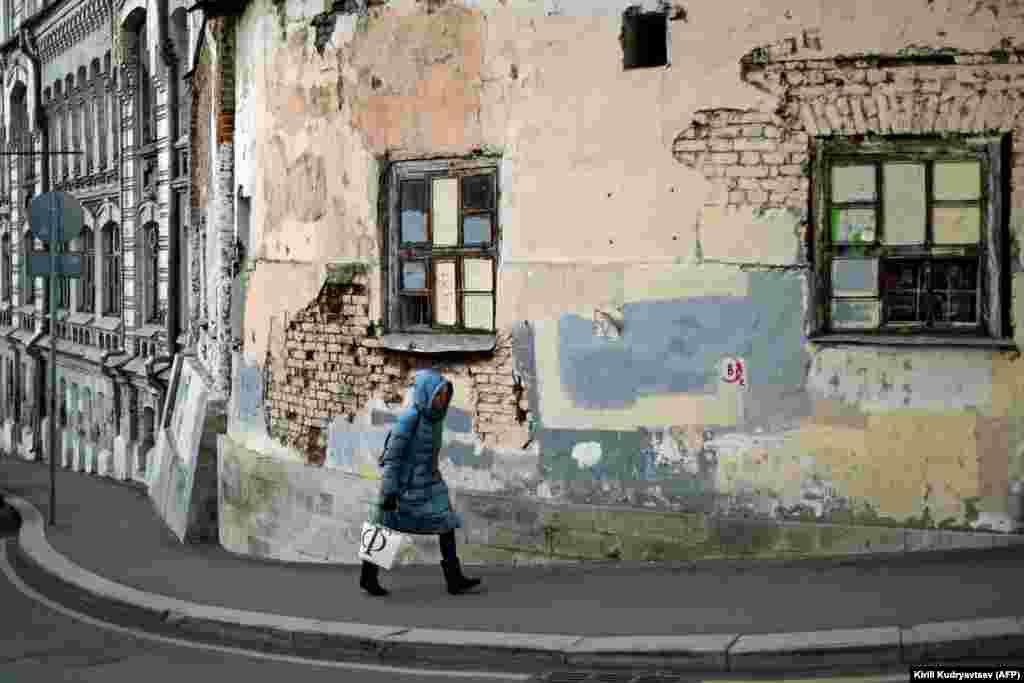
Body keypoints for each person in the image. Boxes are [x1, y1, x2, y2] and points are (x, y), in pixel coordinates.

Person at [360, 369, 482, 597]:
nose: (442, 400)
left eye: (445, 395)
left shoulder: (435, 419)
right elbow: (392, 457)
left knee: (446, 521)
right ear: (426, 394)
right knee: (384, 523)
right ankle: (368, 577)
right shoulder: (410, 418)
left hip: (429, 483)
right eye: (438, 395)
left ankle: (454, 579)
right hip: (404, 487)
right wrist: (389, 492)